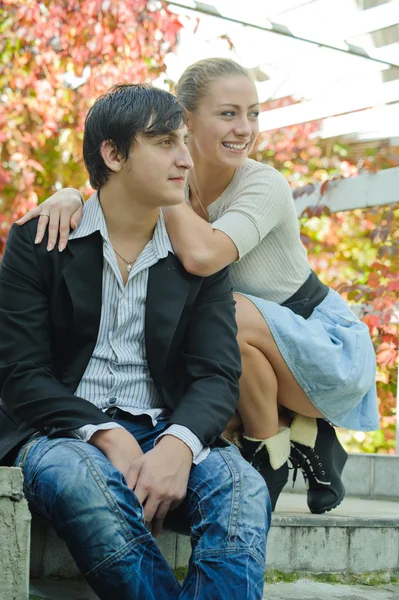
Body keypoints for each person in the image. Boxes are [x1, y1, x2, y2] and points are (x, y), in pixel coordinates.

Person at [19, 59, 380, 515]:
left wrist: (162, 193)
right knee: (188, 400)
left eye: (253, 113)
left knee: (221, 314)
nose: (245, 128)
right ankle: (293, 437)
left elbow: (202, 257)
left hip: (323, 343)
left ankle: (277, 445)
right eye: (228, 113)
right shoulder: (172, 176)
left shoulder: (264, 183)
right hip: (251, 342)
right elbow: (116, 192)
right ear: (185, 121)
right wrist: (71, 196)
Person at [0, 84, 270, 600]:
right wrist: (101, 431)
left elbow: (216, 373)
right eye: (166, 142)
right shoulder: (40, 242)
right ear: (114, 153)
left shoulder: (197, 258)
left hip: (164, 429)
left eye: (184, 142)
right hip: (60, 435)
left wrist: (178, 445)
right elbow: (19, 373)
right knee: (82, 480)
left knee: (242, 486)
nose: (186, 159)